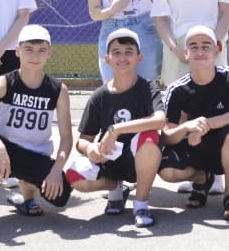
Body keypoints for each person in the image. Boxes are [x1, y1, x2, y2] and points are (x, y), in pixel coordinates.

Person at [0, 24, 73, 235]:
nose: (35, 56)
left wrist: (56, 171)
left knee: (61, 196)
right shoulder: (4, 82)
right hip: (5, 152)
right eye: (28, 49)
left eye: (41, 50)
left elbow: (67, 138)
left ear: (49, 53)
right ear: (17, 51)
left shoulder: (58, 89)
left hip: (35, 156)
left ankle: (27, 198)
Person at [64, 29, 165, 228]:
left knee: (150, 138)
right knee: (75, 176)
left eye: (129, 52)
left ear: (139, 57)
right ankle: (115, 188)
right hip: (109, 158)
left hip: (138, 159)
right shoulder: (99, 96)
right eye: (116, 53)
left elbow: (160, 120)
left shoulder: (147, 88)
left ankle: (141, 205)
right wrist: (89, 149)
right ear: (107, 59)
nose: (122, 58)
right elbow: (82, 140)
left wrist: (116, 129)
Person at [158, 25, 229, 221]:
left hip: (224, 146)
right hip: (193, 144)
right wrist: (187, 127)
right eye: (193, 47)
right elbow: (167, 136)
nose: (200, 51)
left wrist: (205, 124)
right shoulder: (176, 89)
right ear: (186, 53)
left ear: (217, 49)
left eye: (205, 46)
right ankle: (201, 178)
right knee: (167, 171)